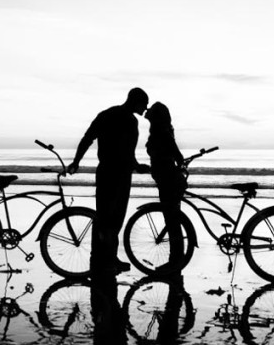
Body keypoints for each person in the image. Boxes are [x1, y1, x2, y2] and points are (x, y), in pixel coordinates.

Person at [67, 87, 149, 274]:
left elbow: (87, 138)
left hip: (106, 171)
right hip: (120, 175)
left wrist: (76, 161)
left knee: (104, 218)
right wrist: (136, 166)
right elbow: (128, 152)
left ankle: (104, 259)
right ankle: (106, 261)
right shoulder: (130, 121)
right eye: (144, 104)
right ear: (136, 101)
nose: (145, 109)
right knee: (113, 219)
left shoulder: (106, 115)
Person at [144, 101, 186, 273]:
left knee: (172, 220)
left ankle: (175, 261)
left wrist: (178, 159)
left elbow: (175, 152)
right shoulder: (165, 131)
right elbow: (175, 153)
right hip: (168, 178)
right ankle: (176, 260)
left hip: (168, 179)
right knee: (173, 219)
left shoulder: (161, 132)